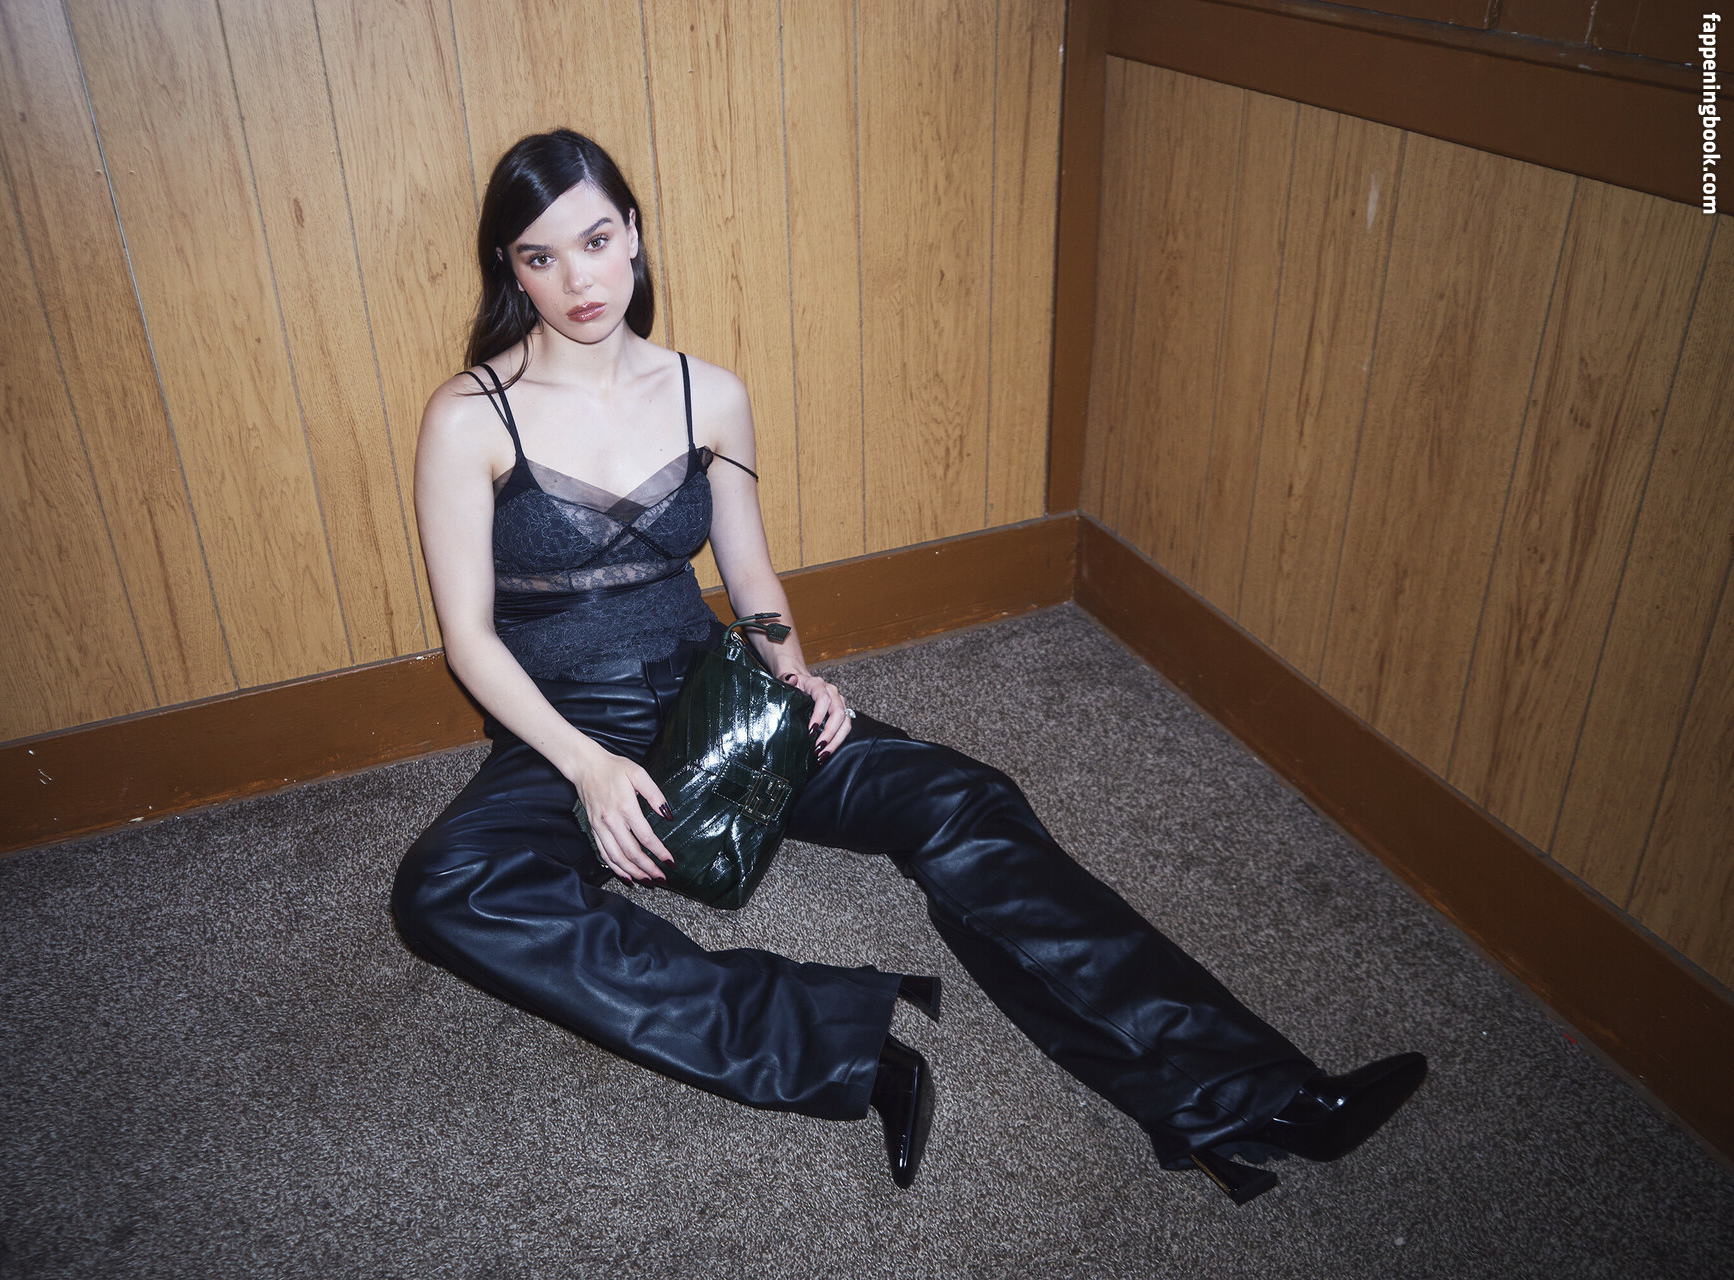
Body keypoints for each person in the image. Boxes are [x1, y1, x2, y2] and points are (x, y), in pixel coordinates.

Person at [390, 129, 1425, 1200]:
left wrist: (796, 678)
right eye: (541, 255)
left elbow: (749, 576)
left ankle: (1247, 1090)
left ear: (636, 235)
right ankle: (834, 1039)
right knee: (444, 886)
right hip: (565, 719)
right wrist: (585, 766)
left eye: (597, 240)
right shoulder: (469, 416)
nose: (578, 279)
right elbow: (471, 636)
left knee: (960, 798)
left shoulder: (709, 393)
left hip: (714, 701)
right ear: (511, 268)